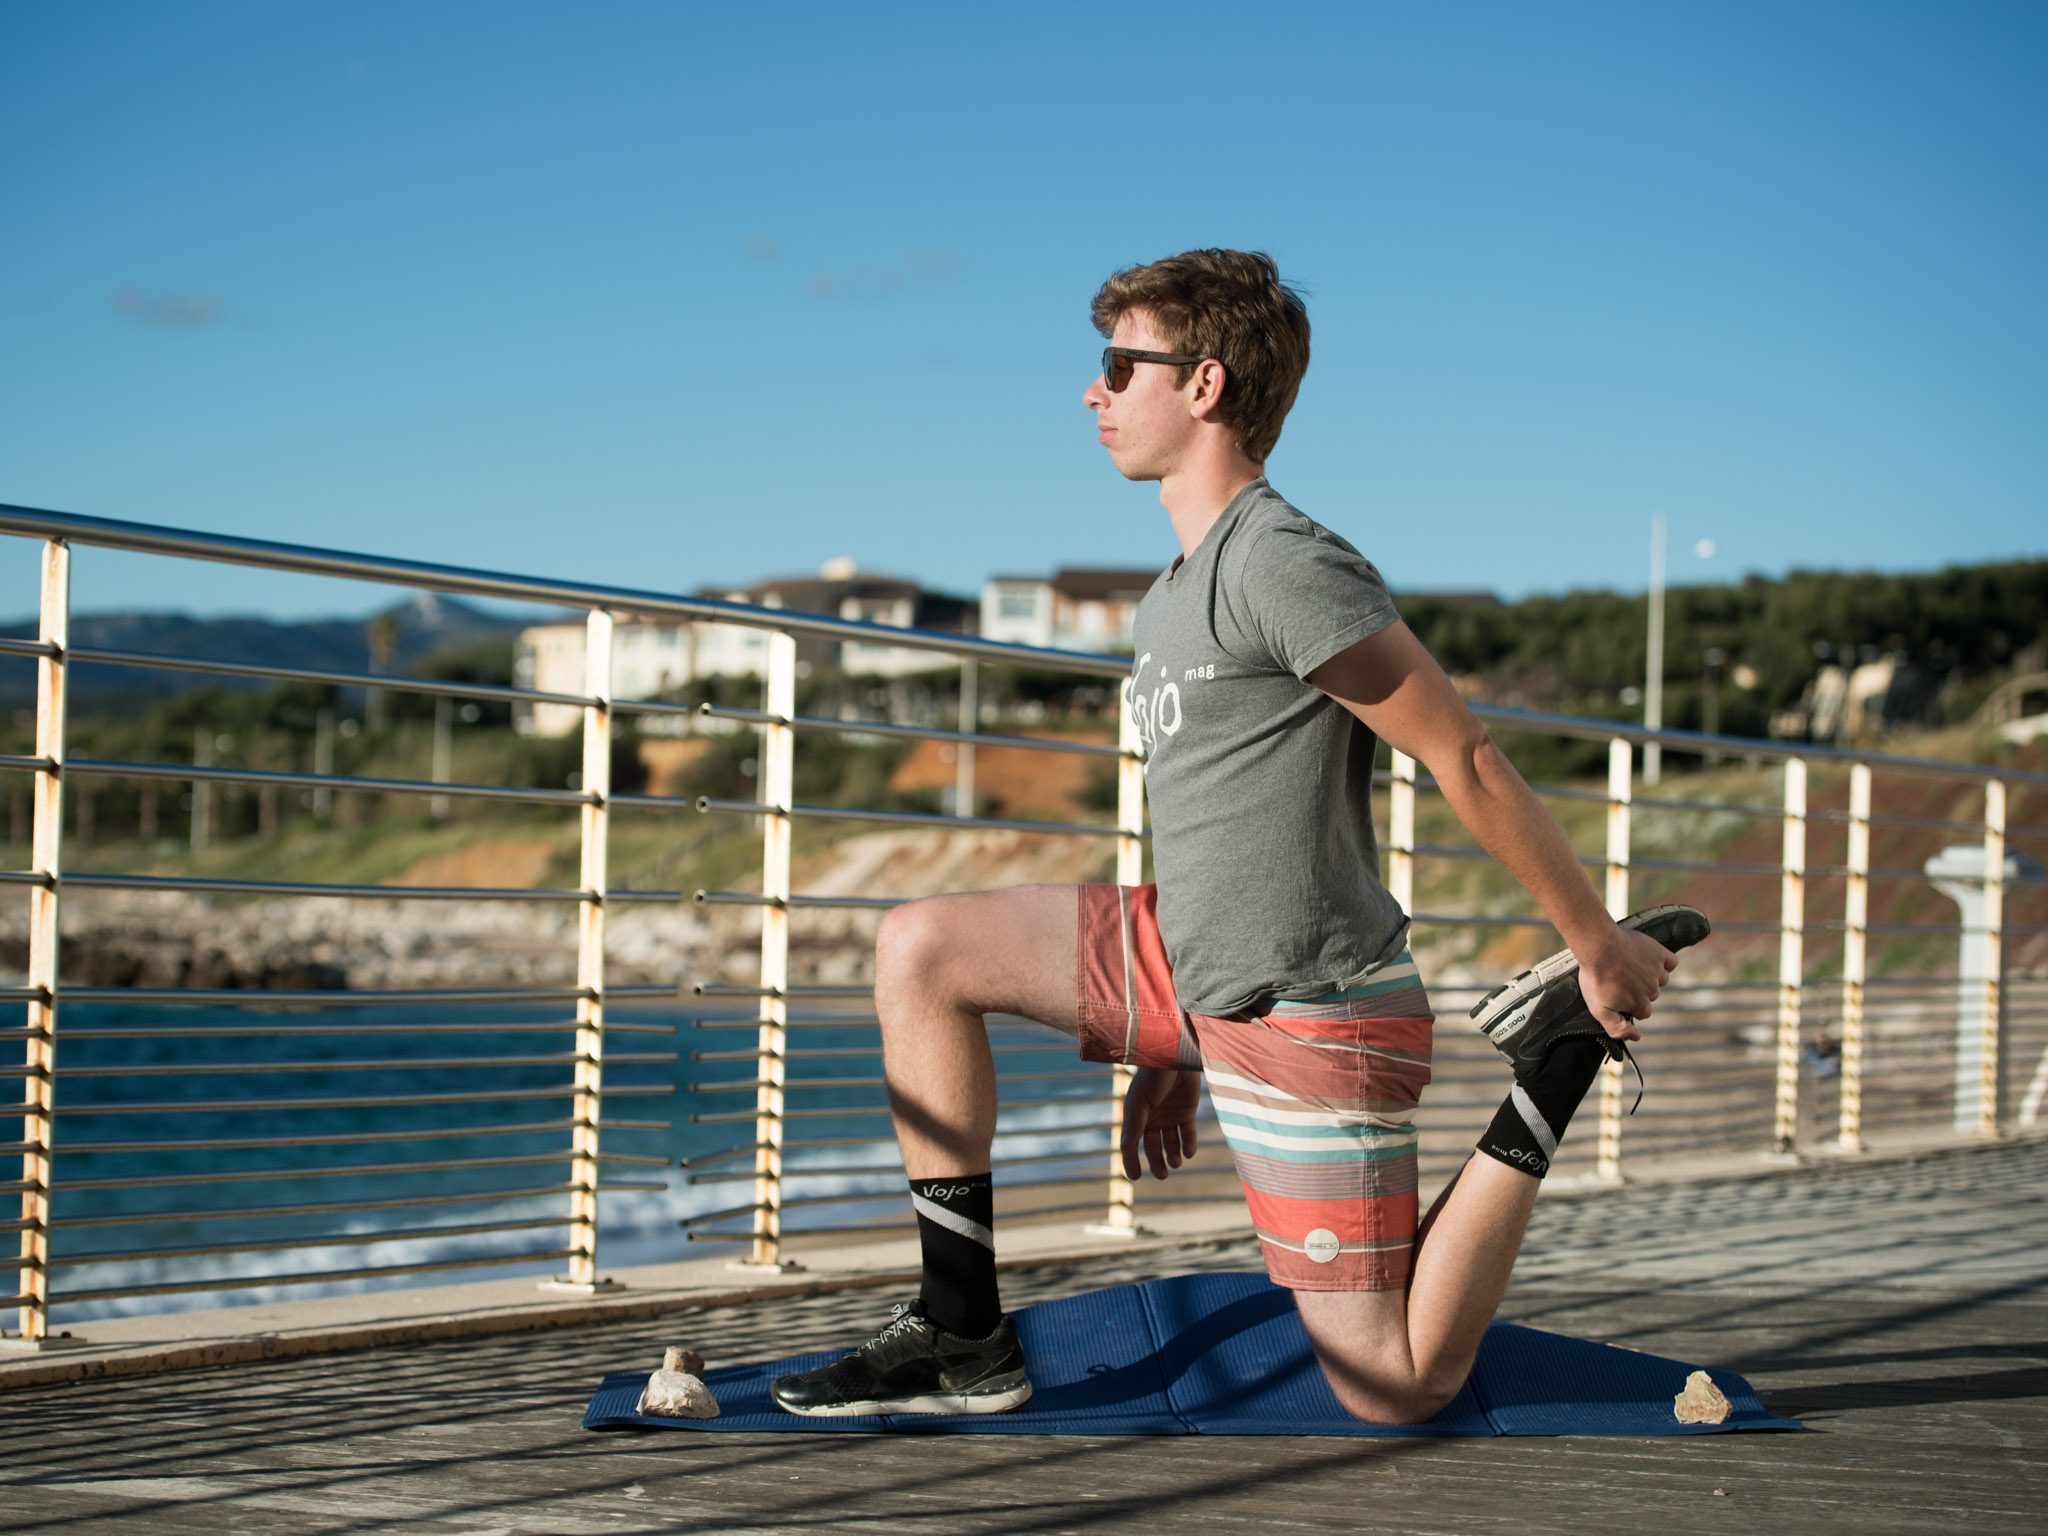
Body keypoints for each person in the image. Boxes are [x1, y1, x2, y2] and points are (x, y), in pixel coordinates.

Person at [772, 247, 1686, 1424]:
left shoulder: (1282, 561)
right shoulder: (1169, 590)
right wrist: (1167, 1043)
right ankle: (958, 1332)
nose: (1091, 393)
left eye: (1117, 365)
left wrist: (1592, 938)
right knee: (919, 947)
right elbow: (1206, 812)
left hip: (1310, 1001)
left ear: (1201, 385)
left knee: (1393, 1386)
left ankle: (1550, 1069)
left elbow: (1460, 752)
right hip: (1190, 962)